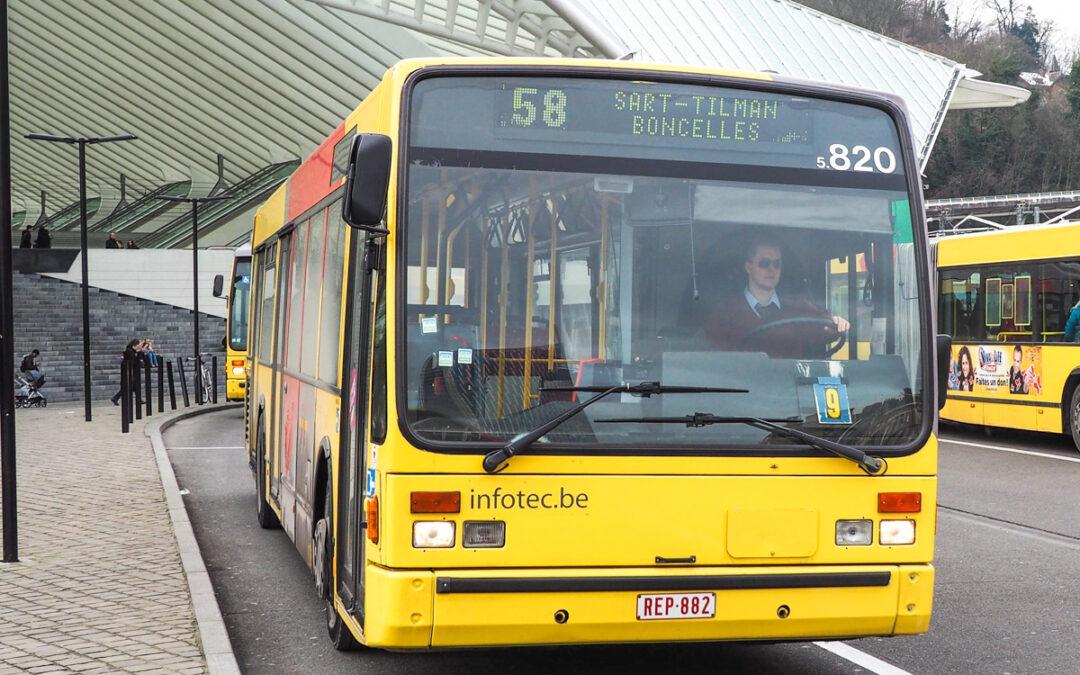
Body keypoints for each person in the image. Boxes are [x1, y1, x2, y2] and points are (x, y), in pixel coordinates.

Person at [705, 236, 849, 358]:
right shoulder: (725, 314)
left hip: (790, 387)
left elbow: (822, 329)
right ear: (748, 267)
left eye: (777, 264)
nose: (771, 269)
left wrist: (836, 324)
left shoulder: (798, 306)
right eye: (764, 263)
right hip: (745, 388)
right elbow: (718, 360)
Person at [111, 339, 142, 405]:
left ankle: (139, 399)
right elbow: (134, 361)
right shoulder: (129, 351)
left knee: (134, 387)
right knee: (127, 387)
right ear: (134, 345)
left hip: (131, 372)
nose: (138, 347)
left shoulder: (131, 351)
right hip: (128, 372)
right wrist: (138, 352)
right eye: (137, 345)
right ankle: (115, 398)